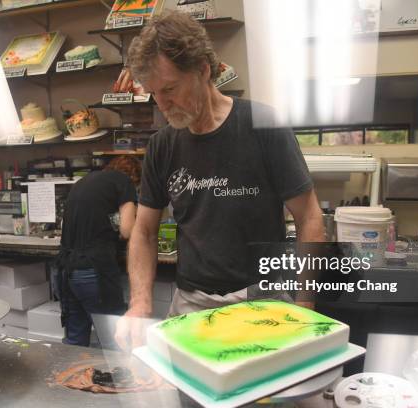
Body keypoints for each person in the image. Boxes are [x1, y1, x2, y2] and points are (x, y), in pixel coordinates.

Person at [114, 11, 325, 351]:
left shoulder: (264, 126)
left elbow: (309, 217)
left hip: (263, 299)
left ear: (203, 70)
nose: (162, 104)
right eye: (153, 93)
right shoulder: (162, 146)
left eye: (169, 89)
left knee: (274, 399)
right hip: (192, 304)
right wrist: (140, 302)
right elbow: (143, 230)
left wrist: (304, 306)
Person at [57, 156, 141, 347]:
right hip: (93, 271)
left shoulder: (83, 182)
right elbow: (128, 230)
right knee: (117, 342)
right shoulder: (124, 182)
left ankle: (76, 377)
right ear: (134, 177)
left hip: (65, 270)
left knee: (75, 342)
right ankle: (121, 377)